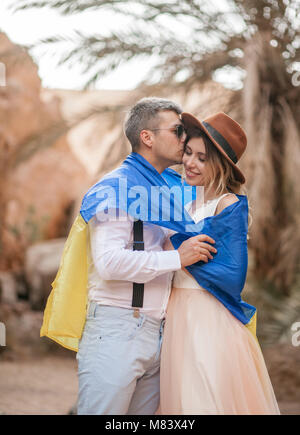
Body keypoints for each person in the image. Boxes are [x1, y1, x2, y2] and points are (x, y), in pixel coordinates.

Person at [76, 98, 217, 415]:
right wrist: (177, 258)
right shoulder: (118, 186)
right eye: (178, 130)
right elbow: (109, 263)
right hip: (117, 329)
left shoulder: (167, 190)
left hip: (157, 332)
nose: (185, 138)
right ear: (147, 137)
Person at [159, 111, 280, 415]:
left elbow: (232, 274)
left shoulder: (227, 204)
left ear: (220, 165)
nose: (190, 162)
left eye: (202, 157)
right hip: (176, 314)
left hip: (207, 318)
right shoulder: (185, 205)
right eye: (188, 152)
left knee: (203, 398)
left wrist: (178, 251)